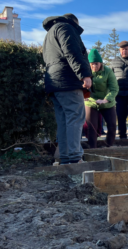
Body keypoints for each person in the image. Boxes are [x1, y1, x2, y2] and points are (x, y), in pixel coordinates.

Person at [42, 13, 92, 165]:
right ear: (75, 23)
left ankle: (64, 157)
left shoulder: (50, 33)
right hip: (67, 80)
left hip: (54, 82)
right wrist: (84, 74)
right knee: (75, 118)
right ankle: (75, 157)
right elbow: (72, 52)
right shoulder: (66, 27)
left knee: (64, 120)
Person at [84, 48, 118, 148]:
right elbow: (79, 85)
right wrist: (84, 95)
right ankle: (92, 149)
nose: (94, 66)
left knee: (112, 125)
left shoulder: (107, 71)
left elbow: (114, 88)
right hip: (90, 101)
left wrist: (106, 100)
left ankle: (108, 145)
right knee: (92, 127)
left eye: (97, 64)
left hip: (106, 101)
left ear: (101, 63)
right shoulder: (85, 72)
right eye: (92, 64)